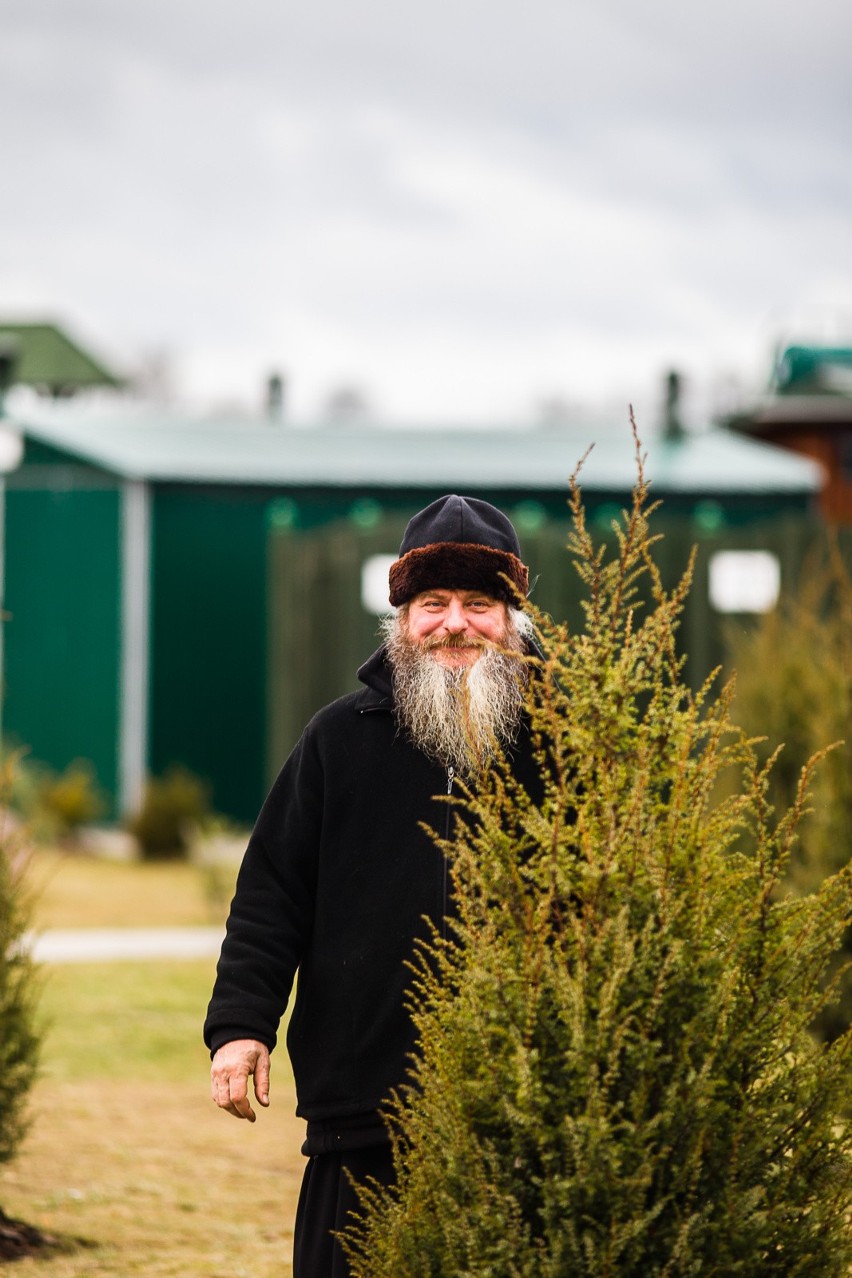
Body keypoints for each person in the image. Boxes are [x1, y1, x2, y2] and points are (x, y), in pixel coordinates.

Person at [204, 494, 540, 1277]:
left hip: (531, 1108)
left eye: (478, 603)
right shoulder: (335, 741)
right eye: (433, 603)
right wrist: (241, 1025)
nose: (455, 623)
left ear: (512, 617)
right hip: (363, 1108)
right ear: (402, 618)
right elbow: (271, 894)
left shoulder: (569, 741)